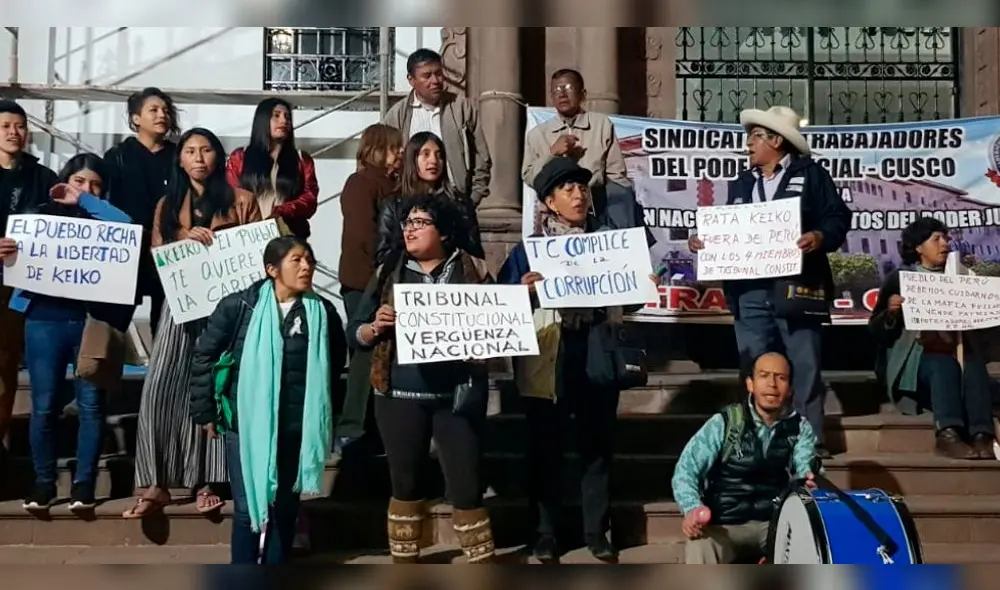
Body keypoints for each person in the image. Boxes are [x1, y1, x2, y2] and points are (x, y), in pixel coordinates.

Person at [498, 158, 657, 563]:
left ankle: (596, 531)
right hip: (548, 354)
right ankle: (545, 532)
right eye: (568, 189)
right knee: (544, 448)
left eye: (582, 188)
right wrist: (523, 290)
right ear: (548, 201)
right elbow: (502, 302)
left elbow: (630, 296)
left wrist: (641, 284)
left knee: (597, 445)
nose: (578, 195)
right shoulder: (528, 251)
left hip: (596, 351)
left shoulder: (608, 244)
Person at [688, 105, 852, 459]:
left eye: (755, 137)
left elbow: (838, 217)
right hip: (748, 292)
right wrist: (704, 240)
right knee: (754, 366)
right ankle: (751, 439)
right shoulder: (741, 183)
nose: (748, 144)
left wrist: (819, 236)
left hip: (797, 287)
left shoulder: (812, 175)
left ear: (776, 140)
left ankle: (809, 441)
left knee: (804, 365)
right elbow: (730, 230)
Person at [348, 193, 495, 564]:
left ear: (444, 232)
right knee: (406, 484)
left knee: (466, 487)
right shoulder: (388, 271)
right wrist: (374, 327)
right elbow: (355, 332)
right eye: (407, 222)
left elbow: (501, 324)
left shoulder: (474, 270)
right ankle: (406, 566)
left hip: (457, 396)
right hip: (399, 394)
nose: (409, 229)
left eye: (419, 222)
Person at [123, 128, 262, 519]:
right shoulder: (167, 205)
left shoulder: (242, 201)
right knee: (161, 385)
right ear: (180, 159)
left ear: (217, 157)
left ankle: (208, 483)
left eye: (206, 150)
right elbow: (156, 254)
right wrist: (185, 240)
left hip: (226, 307)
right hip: (180, 304)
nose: (199, 157)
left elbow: (257, 253)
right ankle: (156, 482)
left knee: (217, 385)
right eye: (190, 151)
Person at [190, 236, 346, 564]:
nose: (306, 267)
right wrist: (206, 412)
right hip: (246, 426)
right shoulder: (239, 306)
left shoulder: (323, 312)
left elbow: (333, 369)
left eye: (310, 260)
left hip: (295, 424)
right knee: (248, 510)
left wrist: (327, 417)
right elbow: (204, 356)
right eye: (296, 260)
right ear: (271, 269)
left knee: (286, 508)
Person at [11, 154, 133, 511]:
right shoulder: (39, 217)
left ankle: (84, 485)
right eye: (80, 182)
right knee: (44, 407)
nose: (87, 188)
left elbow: (125, 222)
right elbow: (18, 258)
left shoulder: (109, 220)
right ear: (65, 180)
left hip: (89, 323)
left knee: (92, 407)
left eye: (95, 184)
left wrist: (84, 201)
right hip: (43, 321)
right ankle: (44, 483)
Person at [672, 351, 819, 564]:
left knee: (808, 542)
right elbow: (686, 470)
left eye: (781, 377)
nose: (772, 384)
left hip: (774, 525)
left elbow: (805, 467)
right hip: (723, 525)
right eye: (764, 375)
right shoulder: (725, 423)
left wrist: (808, 480)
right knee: (700, 544)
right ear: (750, 384)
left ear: (790, 390)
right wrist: (692, 508)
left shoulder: (799, 428)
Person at [869, 218, 997, 459]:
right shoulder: (900, 278)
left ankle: (982, 434)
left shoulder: (962, 277)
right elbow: (875, 329)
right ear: (918, 247)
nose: (944, 244)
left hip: (956, 349)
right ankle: (948, 433)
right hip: (919, 361)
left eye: (946, 238)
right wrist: (891, 313)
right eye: (936, 239)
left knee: (973, 366)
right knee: (942, 364)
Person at [336, 123, 403, 453]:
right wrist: (381, 270)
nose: (400, 154)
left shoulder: (394, 186)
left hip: (383, 280)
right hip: (364, 281)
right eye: (394, 147)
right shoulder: (361, 183)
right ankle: (352, 428)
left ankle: (377, 428)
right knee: (363, 353)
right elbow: (365, 234)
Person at [0, 100, 58, 459]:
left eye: (20, 125)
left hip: (22, 285)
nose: (13, 132)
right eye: (5, 125)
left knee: (7, 363)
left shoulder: (42, 177)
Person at [103, 87, 180, 337]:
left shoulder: (178, 158)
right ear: (136, 118)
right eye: (154, 110)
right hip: (127, 249)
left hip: (167, 247)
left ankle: (162, 374)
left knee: (167, 318)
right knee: (113, 319)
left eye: (166, 111)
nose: (162, 115)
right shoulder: (117, 156)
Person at [383, 48, 491, 206]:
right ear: (411, 80)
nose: (435, 81)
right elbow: (386, 161)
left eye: (439, 74)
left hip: (454, 198)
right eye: (426, 76)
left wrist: (473, 197)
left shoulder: (461, 107)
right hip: (412, 200)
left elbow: (482, 156)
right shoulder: (396, 116)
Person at [375, 131, 483, 267]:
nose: (433, 161)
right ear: (412, 159)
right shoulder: (393, 204)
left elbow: (474, 252)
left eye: (439, 156)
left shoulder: (459, 203)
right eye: (425, 154)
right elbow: (382, 255)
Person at [226, 98, 319, 239]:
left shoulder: (301, 159)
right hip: (246, 236)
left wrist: (280, 211)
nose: (284, 121)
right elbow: (229, 194)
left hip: (287, 235)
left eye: (287, 117)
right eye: (276, 115)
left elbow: (309, 199)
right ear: (262, 120)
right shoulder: (240, 157)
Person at [521, 68, 629, 189]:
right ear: (551, 96)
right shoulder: (537, 135)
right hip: (553, 206)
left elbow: (616, 177)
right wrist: (552, 154)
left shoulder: (601, 125)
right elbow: (530, 178)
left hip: (594, 204)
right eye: (556, 90)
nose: (562, 95)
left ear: (582, 94)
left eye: (568, 88)